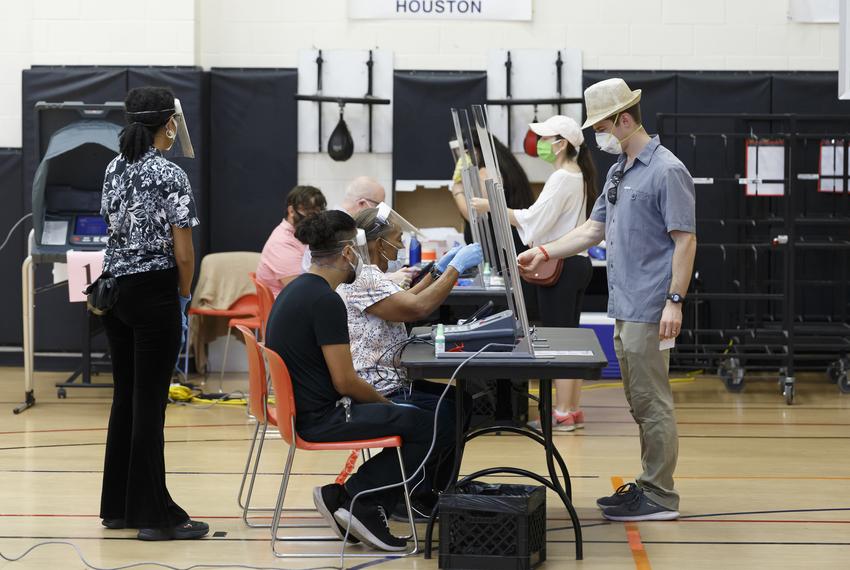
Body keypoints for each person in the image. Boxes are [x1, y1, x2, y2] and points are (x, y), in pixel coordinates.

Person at [518, 78, 697, 522]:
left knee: (652, 401)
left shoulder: (667, 170)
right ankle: (650, 482)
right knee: (638, 400)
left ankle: (660, 496)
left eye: (600, 126)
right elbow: (591, 231)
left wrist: (674, 300)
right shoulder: (620, 172)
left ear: (623, 119)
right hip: (624, 304)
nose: (598, 136)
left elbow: (685, 239)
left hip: (651, 306)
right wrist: (544, 250)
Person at [264, 210, 454, 552]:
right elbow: (345, 382)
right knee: (426, 424)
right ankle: (359, 501)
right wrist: (388, 406)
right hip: (323, 418)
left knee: (418, 417)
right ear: (349, 252)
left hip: (305, 413)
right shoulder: (325, 301)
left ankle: (347, 497)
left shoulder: (297, 290)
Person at [98, 86, 207, 540]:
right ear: (168, 123)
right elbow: (184, 252)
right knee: (149, 406)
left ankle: (120, 507)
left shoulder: (113, 166)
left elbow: (111, 225)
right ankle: (154, 516)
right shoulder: (170, 174)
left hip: (114, 294)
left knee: (126, 398)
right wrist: (183, 296)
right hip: (154, 293)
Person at [338, 208, 483, 516]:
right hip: (375, 386)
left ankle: (432, 490)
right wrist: (454, 270)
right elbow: (416, 308)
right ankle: (409, 494)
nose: (401, 247)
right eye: (396, 240)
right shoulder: (364, 278)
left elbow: (404, 299)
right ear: (378, 245)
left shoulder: (370, 274)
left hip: (385, 377)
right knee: (443, 415)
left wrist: (435, 272)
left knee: (460, 402)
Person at [472, 115, 597, 433]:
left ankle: (563, 411)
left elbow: (534, 220)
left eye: (545, 138)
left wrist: (492, 205)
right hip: (574, 264)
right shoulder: (575, 174)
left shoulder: (562, 178)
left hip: (562, 265)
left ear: (562, 143)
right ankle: (572, 409)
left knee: (560, 340)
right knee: (569, 336)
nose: (539, 144)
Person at [448, 132, 539, 320]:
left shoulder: (486, 172)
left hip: (498, 249)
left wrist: (456, 190)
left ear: (476, 151)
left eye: (466, 153)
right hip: (510, 242)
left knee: (503, 308)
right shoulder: (505, 165)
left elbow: (473, 213)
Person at [256, 185, 326, 297]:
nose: (313, 219)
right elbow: (301, 289)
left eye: (317, 212)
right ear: (291, 211)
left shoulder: (302, 235)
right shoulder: (281, 243)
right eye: (308, 212)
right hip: (288, 307)